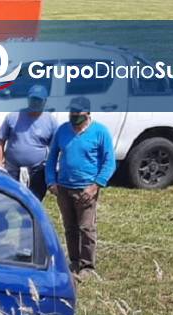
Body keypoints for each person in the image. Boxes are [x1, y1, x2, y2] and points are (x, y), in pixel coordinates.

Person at [45, 96, 116, 281]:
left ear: (87, 113)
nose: (74, 115)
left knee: (86, 228)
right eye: (72, 112)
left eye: (78, 113)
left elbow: (109, 162)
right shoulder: (62, 131)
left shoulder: (100, 132)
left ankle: (87, 266)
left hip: (86, 189)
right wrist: (51, 181)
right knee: (70, 227)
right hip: (63, 188)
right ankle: (74, 261)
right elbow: (52, 158)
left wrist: (96, 185)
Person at [0, 84, 58, 200]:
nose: (35, 103)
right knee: (6, 201)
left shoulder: (50, 121)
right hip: (12, 171)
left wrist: (52, 173)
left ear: (45, 101)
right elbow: (0, 141)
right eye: (33, 99)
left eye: (39, 100)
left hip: (36, 173)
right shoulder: (13, 117)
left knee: (33, 203)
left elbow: (55, 149)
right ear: (28, 99)